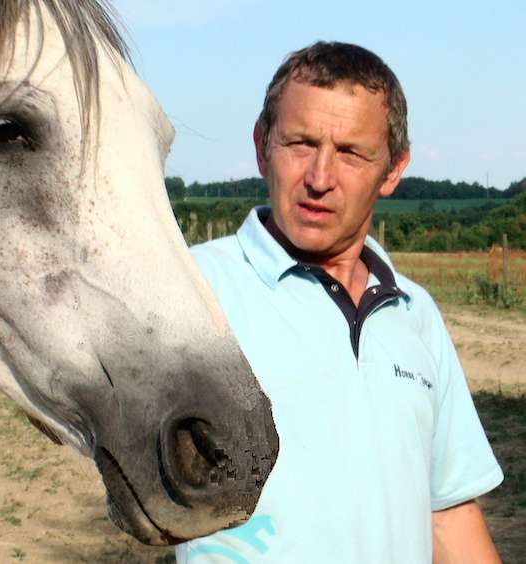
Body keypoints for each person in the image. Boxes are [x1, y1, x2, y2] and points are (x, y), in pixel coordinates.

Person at [176, 41, 503, 564]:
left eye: (351, 152)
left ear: (393, 170)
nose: (320, 178)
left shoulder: (415, 313)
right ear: (262, 146)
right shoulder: (193, 287)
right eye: (300, 143)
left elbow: (447, 513)